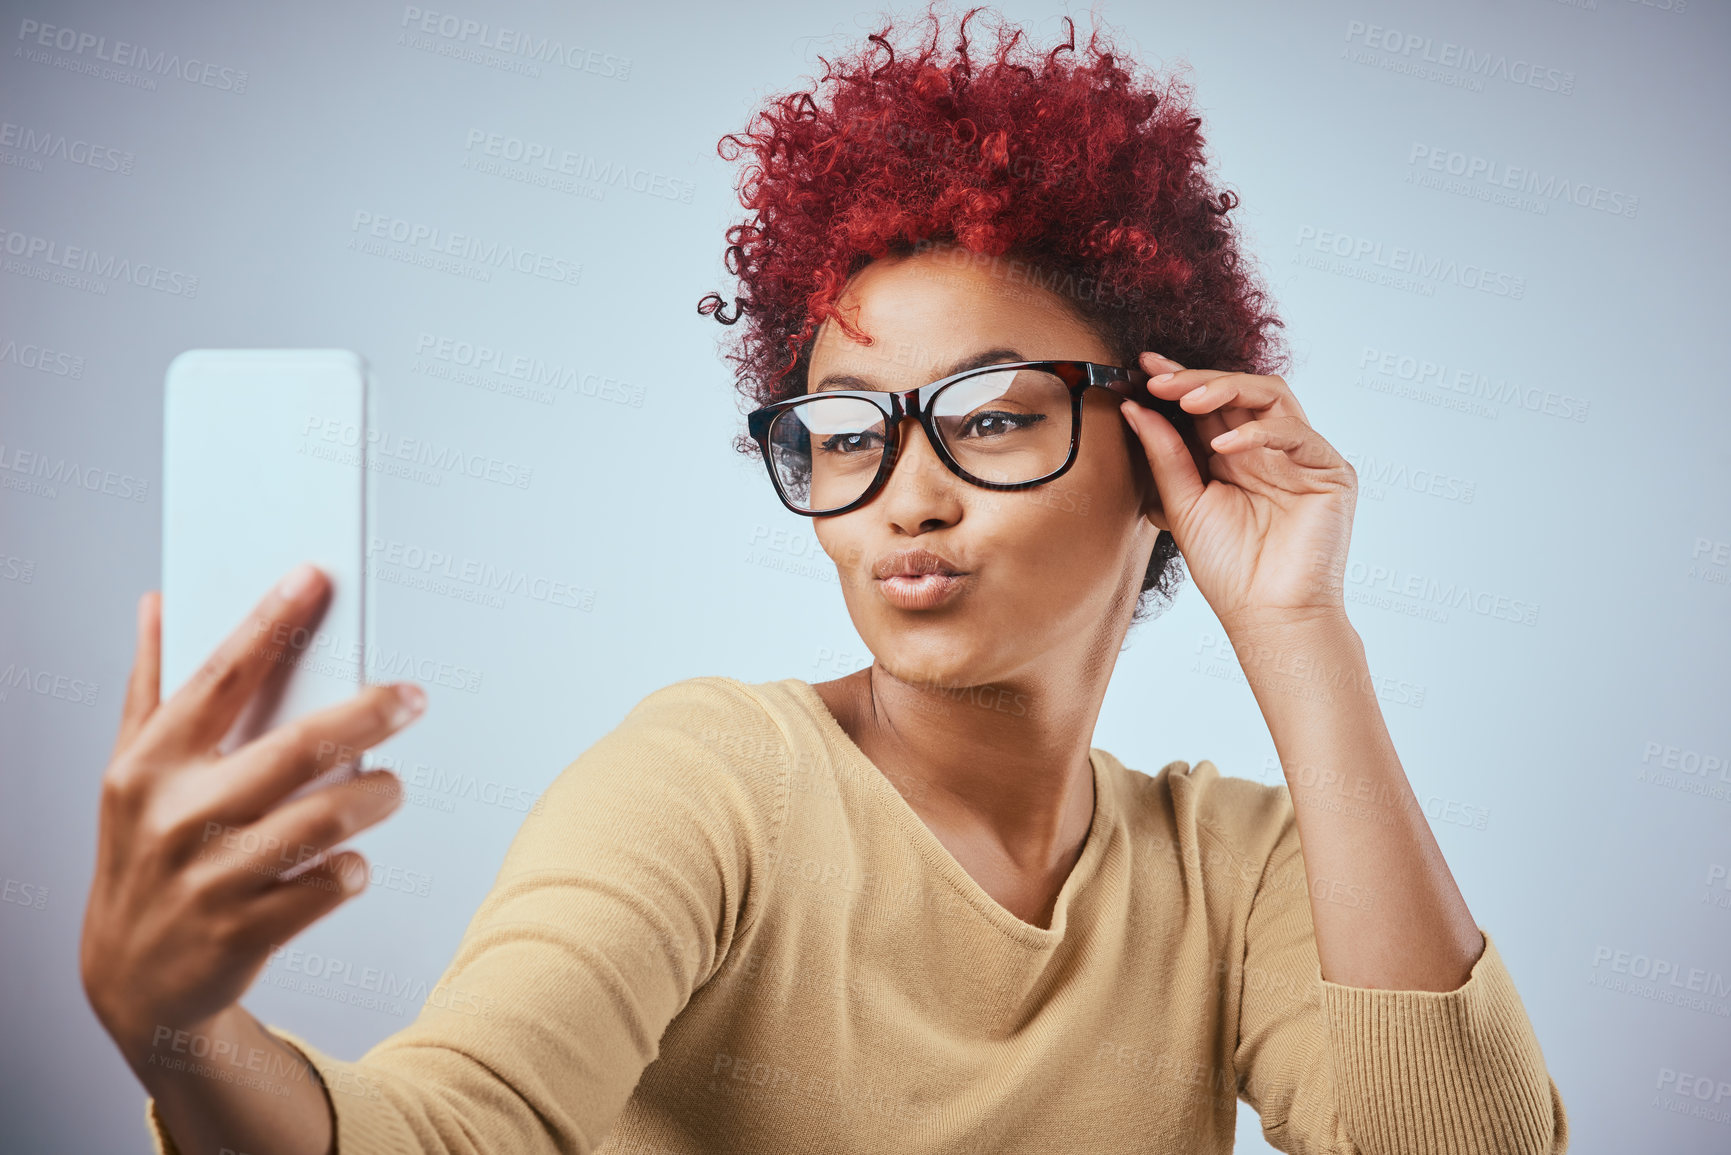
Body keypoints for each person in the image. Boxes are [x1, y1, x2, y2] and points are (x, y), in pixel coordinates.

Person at [82, 6, 1569, 1153]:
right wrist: (183, 1037)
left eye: (990, 415)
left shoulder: (1228, 875)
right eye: (845, 432)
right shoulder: (720, 782)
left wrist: (1300, 630)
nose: (902, 499)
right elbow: (461, 1130)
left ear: (1163, 440)